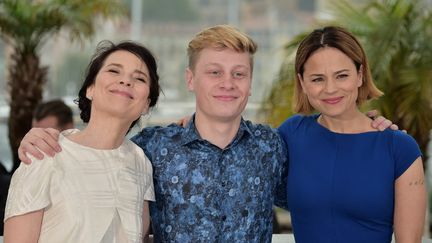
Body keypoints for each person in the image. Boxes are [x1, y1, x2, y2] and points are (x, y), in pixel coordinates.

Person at [16, 25, 395, 242]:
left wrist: (369, 128)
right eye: (214, 72)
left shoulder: (273, 145)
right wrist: (42, 138)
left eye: (239, 73)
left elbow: (326, 179)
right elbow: (99, 153)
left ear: (250, 84)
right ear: (191, 79)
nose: (227, 84)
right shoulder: (150, 149)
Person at [278, 26, 426, 243]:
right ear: (302, 83)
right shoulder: (290, 134)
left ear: (360, 75)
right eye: (318, 79)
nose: (330, 89)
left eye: (342, 76)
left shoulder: (400, 148)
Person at [4, 40, 160, 243]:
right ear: (90, 89)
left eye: (139, 78)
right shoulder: (45, 152)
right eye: (114, 71)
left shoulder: (140, 162)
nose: (126, 81)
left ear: (146, 105)